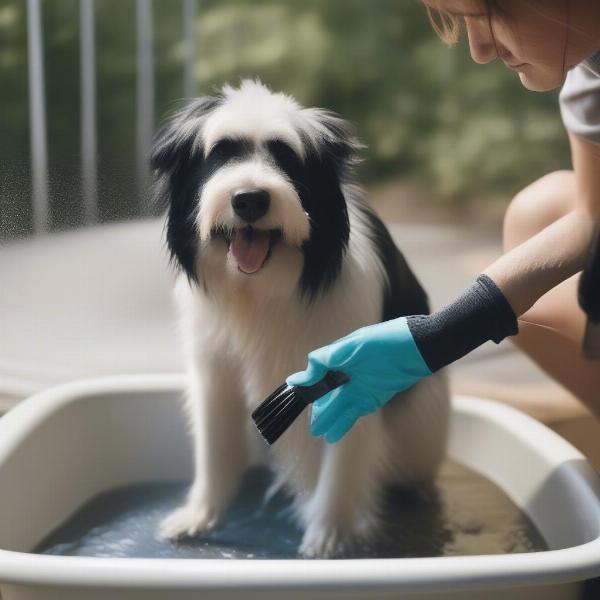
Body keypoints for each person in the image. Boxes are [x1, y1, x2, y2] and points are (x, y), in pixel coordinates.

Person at [286, 0, 600, 443]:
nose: (480, 49)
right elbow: (592, 216)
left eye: (489, 14)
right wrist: (437, 337)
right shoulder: (589, 74)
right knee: (539, 214)